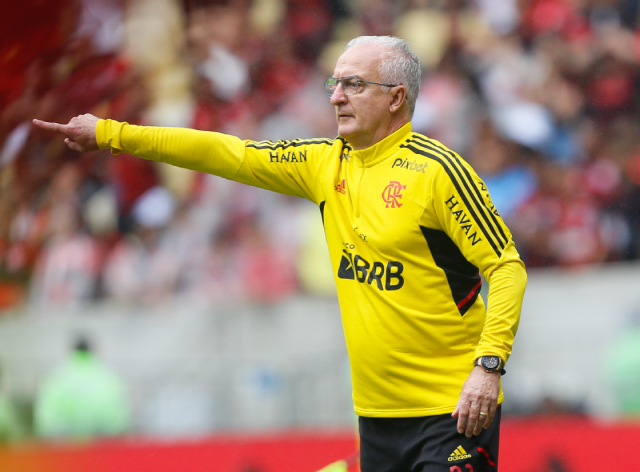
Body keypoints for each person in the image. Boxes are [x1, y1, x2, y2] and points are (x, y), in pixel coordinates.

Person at [33, 35, 527, 471]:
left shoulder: (438, 172)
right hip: (377, 417)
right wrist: (110, 134)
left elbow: (505, 267)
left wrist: (487, 369)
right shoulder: (322, 164)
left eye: (353, 85)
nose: (335, 97)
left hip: (454, 409)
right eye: (334, 84)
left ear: (397, 98)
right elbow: (229, 153)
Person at [34, 336, 130, 440]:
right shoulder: (109, 378)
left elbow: (45, 422)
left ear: (72, 351)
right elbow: (119, 422)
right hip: (101, 445)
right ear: (92, 351)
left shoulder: (56, 378)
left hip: (64, 447)